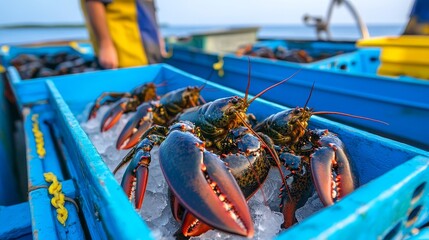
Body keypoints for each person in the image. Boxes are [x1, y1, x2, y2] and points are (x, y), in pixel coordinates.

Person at [80, 0, 166, 69]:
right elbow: (94, 2)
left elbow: (149, 6)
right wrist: (106, 45)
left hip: (149, 49)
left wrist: (157, 36)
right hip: (121, 50)